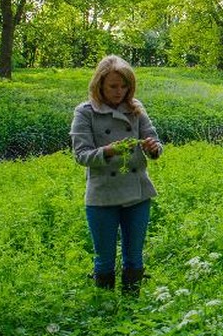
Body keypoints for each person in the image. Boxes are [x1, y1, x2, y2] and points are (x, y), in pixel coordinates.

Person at [70, 55, 163, 294]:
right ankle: (105, 306)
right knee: (104, 257)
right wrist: (109, 151)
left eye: (124, 86)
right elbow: (81, 155)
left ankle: (132, 304)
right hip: (102, 195)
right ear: (99, 84)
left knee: (134, 255)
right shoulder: (85, 112)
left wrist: (153, 148)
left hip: (137, 192)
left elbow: (154, 140)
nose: (119, 91)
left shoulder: (136, 108)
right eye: (113, 86)